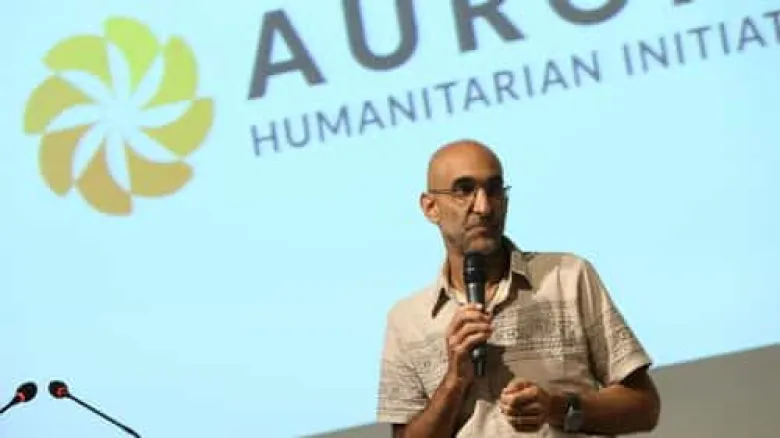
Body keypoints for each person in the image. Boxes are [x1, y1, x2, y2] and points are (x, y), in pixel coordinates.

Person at [376, 140, 661, 437]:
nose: (484, 207)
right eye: (464, 190)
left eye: (494, 189)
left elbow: (645, 407)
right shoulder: (406, 321)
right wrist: (454, 380)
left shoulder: (567, 277)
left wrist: (555, 408)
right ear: (430, 207)